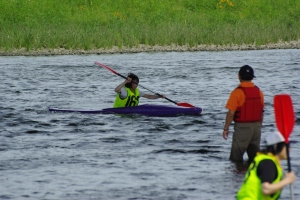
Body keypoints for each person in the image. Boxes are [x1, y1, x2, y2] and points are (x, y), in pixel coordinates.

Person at [222, 65, 264, 163]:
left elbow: (231, 113)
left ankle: (237, 177)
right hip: (256, 128)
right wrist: (259, 127)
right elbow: (261, 112)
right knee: (255, 160)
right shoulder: (259, 92)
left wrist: (226, 128)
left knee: (235, 159)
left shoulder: (237, 92)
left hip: (242, 129)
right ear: (252, 77)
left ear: (239, 76)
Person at [236, 131, 296, 199]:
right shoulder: (268, 163)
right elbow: (266, 189)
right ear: (276, 146)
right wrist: (287, 180)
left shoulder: (266, 160)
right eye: (287, 146)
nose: (289, 149)